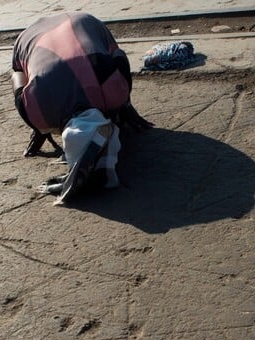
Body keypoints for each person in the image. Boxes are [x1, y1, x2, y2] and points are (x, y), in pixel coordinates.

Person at [11, 12, 153, 204]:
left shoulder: (114, 94)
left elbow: (119, 57)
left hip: (44, 33)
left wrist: (123, 101)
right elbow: (18, 75)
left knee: (104, 60)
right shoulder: (37, 114)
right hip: (68, 25)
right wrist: (38, 122)